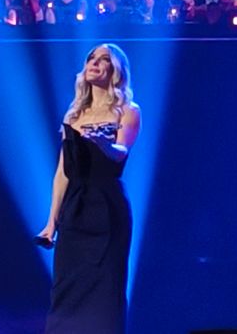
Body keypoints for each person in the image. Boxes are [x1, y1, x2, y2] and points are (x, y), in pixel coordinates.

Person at [38, 44, 141, 333]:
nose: (94, 63)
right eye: (91, 58)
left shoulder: (128, 111)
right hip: (76, 208)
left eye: (103, 59)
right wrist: (51, 223)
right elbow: (62, 173)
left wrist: (104, 144)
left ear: (116, 70)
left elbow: (121, 152)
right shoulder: (73, 115)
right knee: (66, 289)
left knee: (106, 288)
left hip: (107, 207)